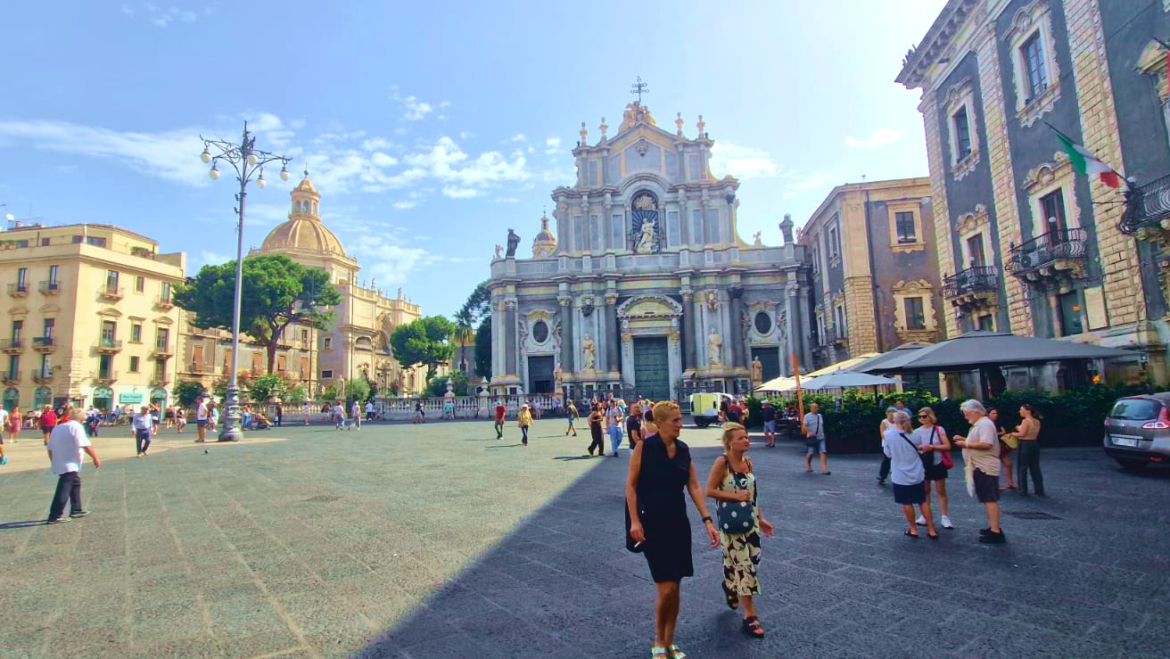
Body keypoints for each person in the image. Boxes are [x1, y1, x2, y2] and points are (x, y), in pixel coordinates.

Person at [626, 401, 720, 658]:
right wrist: (635, 521)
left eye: (680, 419)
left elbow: (694, 487)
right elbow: (631, 486)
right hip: (652, 523)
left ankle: (670, 640)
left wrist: (707, 520)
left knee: (675, 587)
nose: (681, 424)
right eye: (676, 420)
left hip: (678, 522)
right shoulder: (644, 448)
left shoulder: (683, 449)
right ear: (660, 423)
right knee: (665, 587)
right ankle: (658, 638)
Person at [705, 422, 775, 637]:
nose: (747, 440)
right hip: (732, 527)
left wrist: (761, 518)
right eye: (741, 438)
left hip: (750, 524)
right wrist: (735, 497)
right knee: (744, 566)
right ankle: (750, 615)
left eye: (746, 437)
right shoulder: (722, 462)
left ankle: (730, 585)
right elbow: (709, 490)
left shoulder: (748, 462)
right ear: (729, 443)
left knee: (752, 561)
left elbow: (753, 495)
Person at [953, 399, 1006, 544]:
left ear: (976, 412)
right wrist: (965, 439)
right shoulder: (982, 424)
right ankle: (993, 528)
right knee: (987, 498)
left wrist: (966, 443)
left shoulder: (985, 424)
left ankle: (996, 531)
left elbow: (986, 444)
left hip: (985, 467)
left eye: (966, 414)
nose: (965, 417)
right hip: (981, 466)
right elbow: (981, 440)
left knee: (989, 498)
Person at [883, 410, 937, 539]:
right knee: (922, 501)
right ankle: (931, 529)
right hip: (917, 472)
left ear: (895, 422)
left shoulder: (888, 435)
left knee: (907, 502)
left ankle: (913, 529)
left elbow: (888, 454)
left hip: (900, 474)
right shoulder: (915, 435)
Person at [45, 405, 101, 524]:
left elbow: (49, 448)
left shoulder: (58, 427)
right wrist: (95, 457)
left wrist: (53, 460)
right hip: (70, 462)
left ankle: (76, 509)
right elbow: (85, 445)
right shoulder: (77, 427)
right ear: (81, 418)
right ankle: (54, 515)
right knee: (64, 488)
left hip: (60, 460)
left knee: (75, 482)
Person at [914, 407, 954, 530]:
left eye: (924, 416)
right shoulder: (916, 432)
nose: (922, 419)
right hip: (923, 463)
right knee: (925, 490)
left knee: (940, 489)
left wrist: (932, 447)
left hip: (938, 462)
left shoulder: (938, 429)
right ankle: (925, 516)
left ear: (930, 416)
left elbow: (947, 445)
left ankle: (944, 516)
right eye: (920, 417)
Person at [1014, 404, 1044, 496]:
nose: (1020, 411)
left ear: (1028, 411)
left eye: (1021, 410)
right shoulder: (1037, 421)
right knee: (1035, 467)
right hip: (1034, 443)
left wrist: (1013, 433)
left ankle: (1023, 489)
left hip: (1025, 444)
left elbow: (1022, 434)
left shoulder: (1026, 421)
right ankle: (1039, 489)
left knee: (1022, 467)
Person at [989, 407, 1016, 491]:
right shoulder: (987, 424)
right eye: (993, 413)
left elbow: (1003, 431)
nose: (995, 415)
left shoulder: (997, 422)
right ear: (988, 414)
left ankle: (1010, 483)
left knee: (1008, 464)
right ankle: (995, 485)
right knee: (993, 466)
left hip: (1000, 445)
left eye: (996, 413)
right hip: (992, 446)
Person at [803, 402, 830, 475]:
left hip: (820, 437)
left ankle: (824, 469)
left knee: (823, 451)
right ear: (811, 408)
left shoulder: (819, 416)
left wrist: (823, 434)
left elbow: (821, 426)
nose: (817, 409)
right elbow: (804, 426)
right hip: (812, 438)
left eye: (817, 407)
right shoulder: (807, 416)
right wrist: (809, 431)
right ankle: (808, 465)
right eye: (815, 407)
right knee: (810, 453)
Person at [877, 407, 896, 485]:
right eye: (890, 414)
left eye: (893, 414)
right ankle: (882, 476)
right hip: (887, 444)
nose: (891, 416)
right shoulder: (884, 422)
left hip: (896, 444)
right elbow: (883, 434)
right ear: (887, 414)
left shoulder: (897, 422)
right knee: (887, 460)